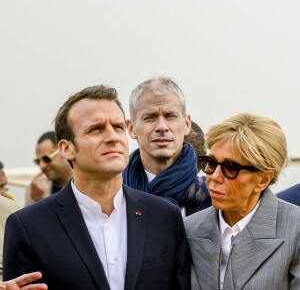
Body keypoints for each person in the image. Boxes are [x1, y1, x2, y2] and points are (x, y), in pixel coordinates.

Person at [3, 85, 190, 290]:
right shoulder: (29, 227)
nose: (113, 137)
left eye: (118, 127)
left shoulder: (164, 217)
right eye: (96, 129)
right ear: (67, 149)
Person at [184, 113, 300, 290]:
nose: (214, 177)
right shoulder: (189, 228)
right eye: (211, 163)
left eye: (230, 168)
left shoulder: (295, 229)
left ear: (263, 180)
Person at [123, 77, 211, 216]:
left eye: (170, 116)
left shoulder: (217, 198)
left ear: (187, 124)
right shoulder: (112, 197)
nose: (162, 127)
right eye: (150, 117)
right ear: (131, 128)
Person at [25, 131, 73, 206]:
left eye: (46, 158)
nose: (42, 166)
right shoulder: (35, 188)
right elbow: (26, 217)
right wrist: (34, 199)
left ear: (64, 150)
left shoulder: (87, 181)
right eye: (38, 161)